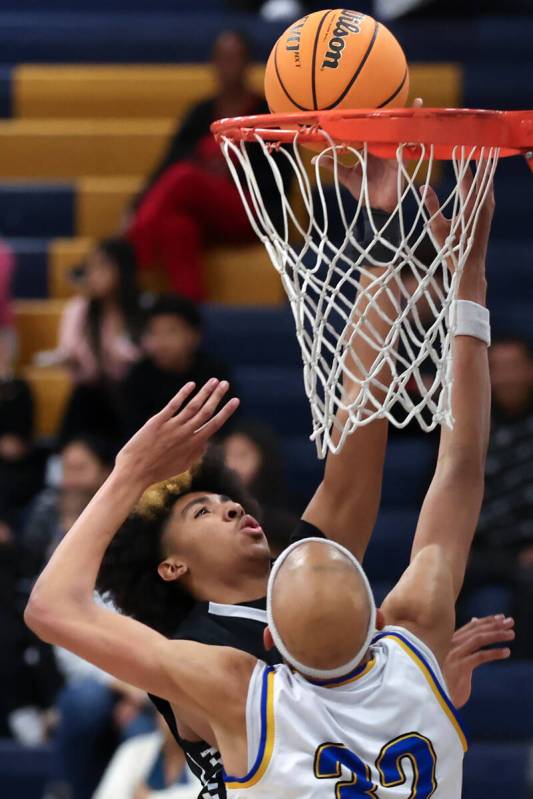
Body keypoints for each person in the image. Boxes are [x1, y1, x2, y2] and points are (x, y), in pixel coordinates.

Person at [25, 168, 512, 798]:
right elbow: (457, 464)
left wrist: (384, 244)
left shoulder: (258, 647)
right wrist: (459, 272)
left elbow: (360, 435)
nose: (232, 508)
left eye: (225, 499)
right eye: (202, 511)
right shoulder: (204, 642)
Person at [127, 30, 290, 300]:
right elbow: (167, 162)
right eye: (222, 58)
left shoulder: (267, 115)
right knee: (175, 228)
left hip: (252, 211)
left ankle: (128, 259)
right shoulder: (200, 112)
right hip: (204, 214)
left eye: (235, 58)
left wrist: (225, 176)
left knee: (185, 178)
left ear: (248, 63)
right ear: (213, 63)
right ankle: (190, 313)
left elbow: (279, 181)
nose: (228, 66)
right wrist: (135, 203)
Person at [461, 336, 533, 656]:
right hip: (479, 547)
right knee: (437, 578)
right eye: (496, 369)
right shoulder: (468, 425)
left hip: (528, 548)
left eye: (513, 367)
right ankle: (438, 667)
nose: (505, 377)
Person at [47, 238, 141, 444]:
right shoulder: (79, 309)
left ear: (122, 270)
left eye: (102, 266)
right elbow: (74, 359)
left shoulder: (141, 308)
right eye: (90, 267)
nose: (93, 275)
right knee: (85, 398)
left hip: (133, 397)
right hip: (92, 396)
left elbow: (145, 361)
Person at [120, 295, 229, 441]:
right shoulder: (138, 375)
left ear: (194, 335)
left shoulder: (214, 374)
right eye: (153, 332)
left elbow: (227, 428)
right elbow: (131, 431)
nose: (161, 342)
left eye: (171, 332)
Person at [23, 435, 116, 579]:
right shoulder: (46, 504)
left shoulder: (119, 510)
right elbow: (29, 560)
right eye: (66, 468)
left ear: (105, 471)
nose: (71, 480)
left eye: (80, 469)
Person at [222, 421, 298, 555]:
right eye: (227, 455)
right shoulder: (218, 510)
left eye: (242, 455)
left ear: (264, 459)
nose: (232, 464)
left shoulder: (286, 519)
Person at [93, 713, 198, 799]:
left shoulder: (209, 755)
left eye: (178, 712)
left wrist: (151, 797)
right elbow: (108, 795)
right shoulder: (133, 749)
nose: (172, 720)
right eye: (166, 710)